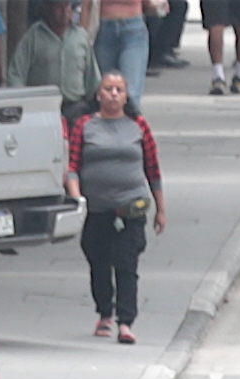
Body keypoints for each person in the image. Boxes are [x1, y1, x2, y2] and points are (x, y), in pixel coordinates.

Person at [64, 73, 167, 345]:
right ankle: (104, 312)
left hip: (130, 208)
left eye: (118, 89)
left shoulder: (138, 125)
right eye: (107, 89)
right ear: (98, 95)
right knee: (98, 262)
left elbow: (153, 169)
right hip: (97, 210)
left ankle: (125, 321)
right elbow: (72, 167)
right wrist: (77, 199)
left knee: (126, 264)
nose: (113, 94)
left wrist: (160, 208)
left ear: (126, 96)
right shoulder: (85, 126)